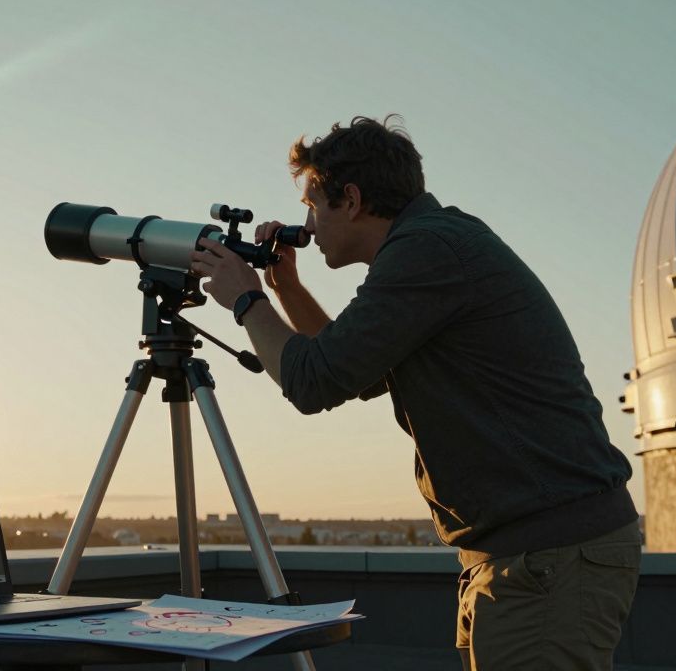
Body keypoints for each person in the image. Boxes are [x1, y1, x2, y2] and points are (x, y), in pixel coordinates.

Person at [188, 115, 640, 671]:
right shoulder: (434, 245)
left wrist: (244, 300)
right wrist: (286, 288)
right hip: (525, 555)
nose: (308, 223)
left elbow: (311, 382)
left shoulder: (427, 253)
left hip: (544, 558)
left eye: (313, 205)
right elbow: (353, 372)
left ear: (350, 199)